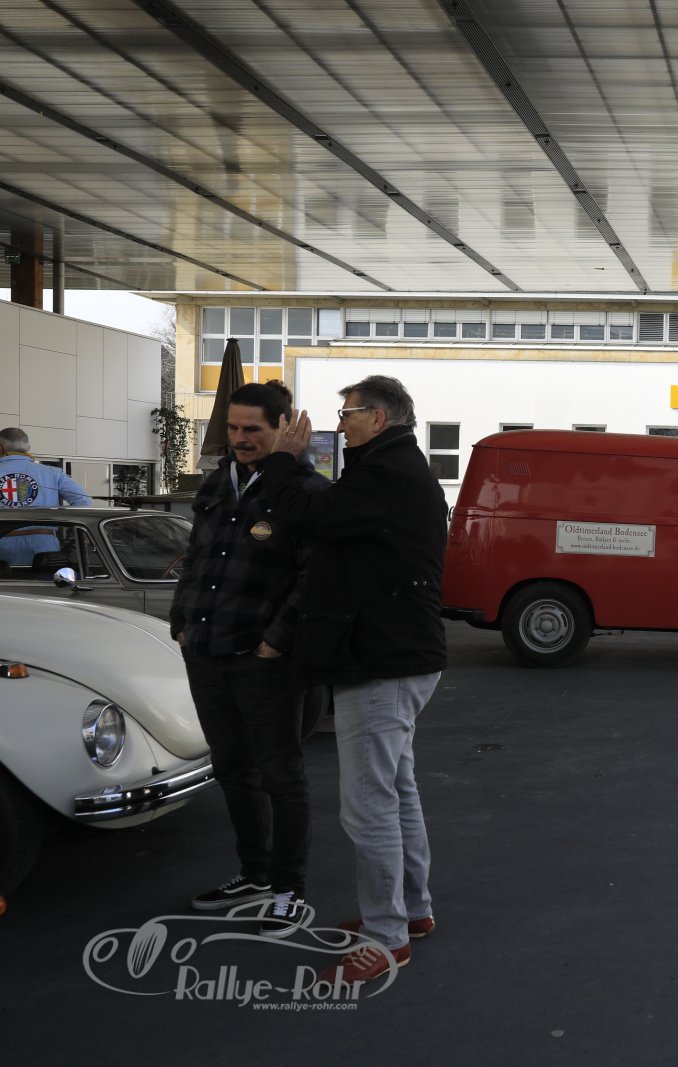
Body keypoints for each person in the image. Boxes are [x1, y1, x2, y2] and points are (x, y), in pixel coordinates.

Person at [257, 375, 447, 984]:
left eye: (349, 412)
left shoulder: (386, 473)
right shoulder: (394, 469)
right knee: (395, 790)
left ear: (380, 417)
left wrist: (284, 460)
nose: (340, 422)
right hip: (398, 654)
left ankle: (388, 937)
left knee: (368, 805)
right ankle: (411, 911)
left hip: (380, 658)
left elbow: (306, 516)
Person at [174, 383, 328, 936]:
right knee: (233, 769)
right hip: (206, 651)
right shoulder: (219, 482)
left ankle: (288, 889)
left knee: (281, 777)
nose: (238, 438)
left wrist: (276, 641)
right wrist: (182, 620)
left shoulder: (306, 490)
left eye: (252, 430)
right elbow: (196, 555)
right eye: (233, 428)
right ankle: (256, 873)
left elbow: (317, 578)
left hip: (265, 662)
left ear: (284, 427)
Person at [0, 427, 92, 569]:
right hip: (44, 547)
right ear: (28, 448)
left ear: (1, 448)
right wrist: (76, 535)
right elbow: (83, 501)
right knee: (48, 583)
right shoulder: (52, 473)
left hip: (3, 546)